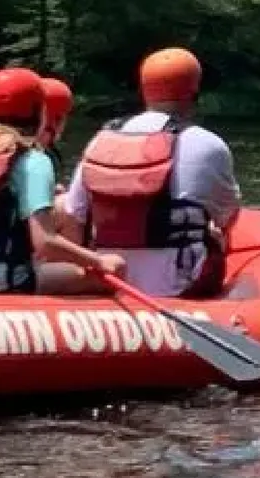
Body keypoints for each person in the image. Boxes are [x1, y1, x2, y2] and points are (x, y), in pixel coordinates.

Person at [62, 48, 242, 299]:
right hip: (178, 284)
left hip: (110, 279)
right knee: (215, 237)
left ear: (144, 91)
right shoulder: (209, 144)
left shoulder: (102, 139)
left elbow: (74, 215)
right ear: (194, 93)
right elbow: (228, 218)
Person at [0, 67, 121, 295]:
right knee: (108, 275)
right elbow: (45, 243)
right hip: (4, 281)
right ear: (39, 112)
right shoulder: (33, 159)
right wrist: (98, 261)